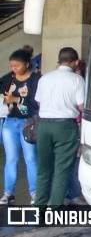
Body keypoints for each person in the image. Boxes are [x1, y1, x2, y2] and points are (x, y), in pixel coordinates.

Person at [34, 47, 85, 209]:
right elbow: (82, 107)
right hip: (65, 127)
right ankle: (55, 209)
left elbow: (39, 102)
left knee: (43, 170)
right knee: (62, 171)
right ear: (76, 62)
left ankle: (39, 207)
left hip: (44, 126)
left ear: (59, 61)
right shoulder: (77, 80)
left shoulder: (45, 78)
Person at [1, 46, 40, 205]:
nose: (14, 69)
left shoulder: (36, 79)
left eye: (17, 66)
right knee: (11, 159)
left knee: (31, 158)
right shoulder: (10, 78)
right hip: (10, 122)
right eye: (11, 66)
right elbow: (4, 95)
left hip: (28, 123)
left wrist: (16, 100)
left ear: (27, 64)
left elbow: (36, 104)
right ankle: (8, 193)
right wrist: (7, 99)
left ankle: (35, 192)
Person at [65, 59, 87, 206]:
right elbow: (82, 108)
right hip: (74, 126)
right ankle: (73, 194)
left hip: (76, 125)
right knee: (73, 163)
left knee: (72, 163)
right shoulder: (78, 83)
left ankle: (71, 193)